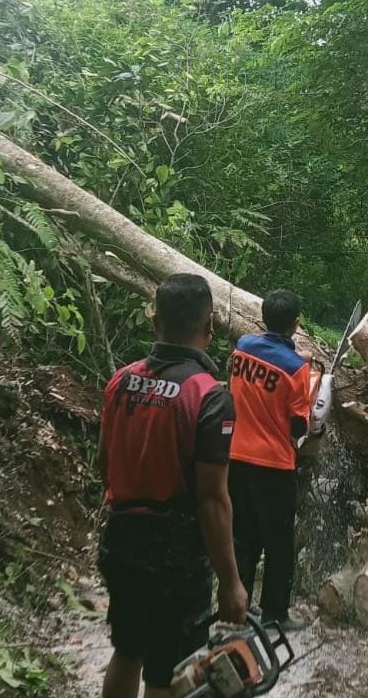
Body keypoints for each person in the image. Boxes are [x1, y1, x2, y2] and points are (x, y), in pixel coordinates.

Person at [97, 273, 248, 698]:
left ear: (154, 322)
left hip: (121, 539)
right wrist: (232, 583)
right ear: (210, 325)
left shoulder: (120, 380)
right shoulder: (209, 397)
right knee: (168, 671)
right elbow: (212, 501)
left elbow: (103, 465)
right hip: (174, 555)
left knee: (127, 650)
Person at [227, 289, 314, 632]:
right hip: (274, 464)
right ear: (296, 324)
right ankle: (276, 612)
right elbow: (298, 425)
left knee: (243, 537)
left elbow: (269, 361)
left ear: (262, 317)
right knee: (278, 542)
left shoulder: (242, 348)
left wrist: (297, 357)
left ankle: (239, 607)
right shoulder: (296, 371)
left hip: (236, 456)